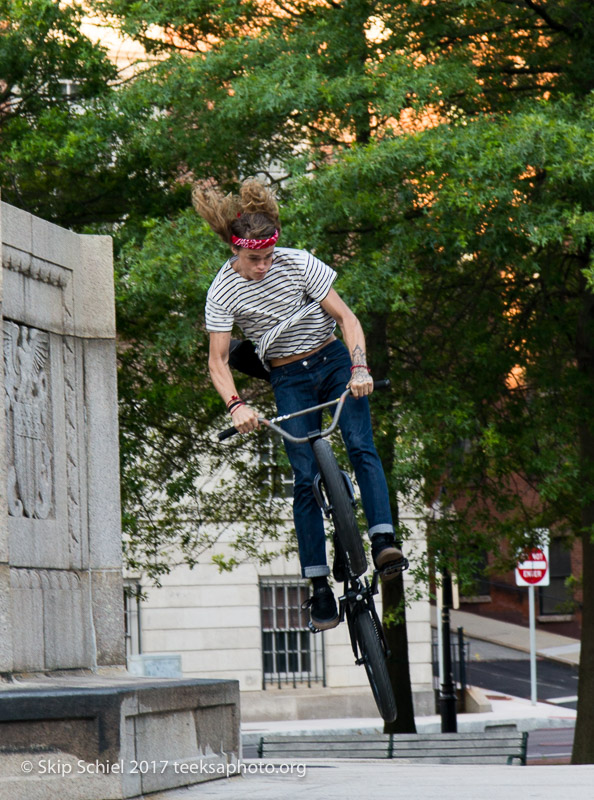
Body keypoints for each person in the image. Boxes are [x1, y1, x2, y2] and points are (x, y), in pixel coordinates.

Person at [194, 178, 406, 631]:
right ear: (236, 251)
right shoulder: (222, 290)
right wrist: (236, 407)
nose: (264, 267)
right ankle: (319, 588)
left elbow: (346, 318)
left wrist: (360, 368)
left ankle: (383, 539)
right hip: (287, 376)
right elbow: (217, 362)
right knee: (305, 478)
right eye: (255, 260)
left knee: (360, 444)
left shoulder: (298, 263)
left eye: (269, 257)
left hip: (331, 361)